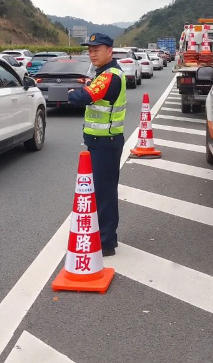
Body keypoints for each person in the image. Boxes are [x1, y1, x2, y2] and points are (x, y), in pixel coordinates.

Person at [67, 33, 126, 257]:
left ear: (110, 51)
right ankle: (104, 236)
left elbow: (85, 97)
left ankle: (106, 241)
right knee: (100, 190)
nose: (92, 53)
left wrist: (74, 94)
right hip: (101, 142)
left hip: (106, 142)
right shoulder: (102, 73)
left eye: (97, 49)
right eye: (89, 49)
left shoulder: (109, 76)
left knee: (104, 192)